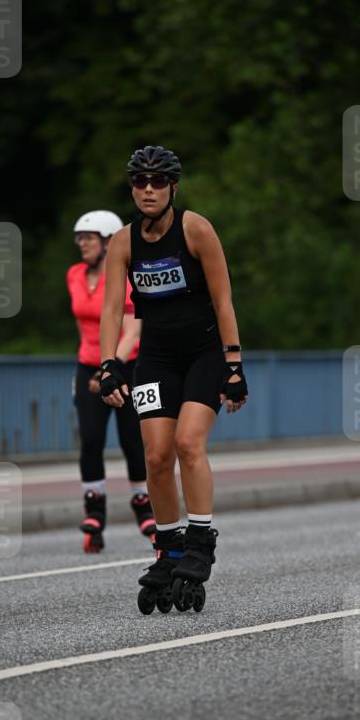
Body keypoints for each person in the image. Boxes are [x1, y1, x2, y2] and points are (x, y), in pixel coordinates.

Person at [99, 146, 248, 611]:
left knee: (187, 443)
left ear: (173, 188)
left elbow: (223, 301)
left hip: (204, 354)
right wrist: (109, 364)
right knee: (156, 455)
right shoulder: (123, 242)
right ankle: (168, 549)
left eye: (158, 181)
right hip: (156, 359)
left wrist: (234, 365)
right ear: (132, 189)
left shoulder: (196, 229)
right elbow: (112, 309)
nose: (148, 189)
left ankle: (200, 541)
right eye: (140, 182)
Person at [68, 210, 156, 552]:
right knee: (90, 439)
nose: (82, 244)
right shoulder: (74, 275)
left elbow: (133, 330)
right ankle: (94, 512)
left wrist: (110, 368)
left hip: (126, 366)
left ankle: (144, 509)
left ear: (108, 242)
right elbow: (84, 325)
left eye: (88, 238)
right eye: (79, 238)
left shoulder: (126, 277)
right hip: (87, 366)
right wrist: (89, 366)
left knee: (132, 440)